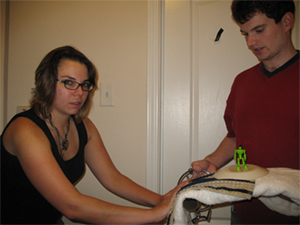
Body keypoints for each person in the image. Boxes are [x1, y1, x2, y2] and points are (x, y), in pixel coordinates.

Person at [1, 46, 186, 224]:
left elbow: (113, 179)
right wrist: (154, 215)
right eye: (69, 83)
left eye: (85, 85)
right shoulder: (25, 130)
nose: (80, 92)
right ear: (46, 82)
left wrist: (161, 200)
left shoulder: (83, 126)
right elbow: (72, 206)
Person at [192, 0, 299, 224]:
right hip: (245, 212)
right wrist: (212, 161)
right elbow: (236, 136)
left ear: (287, 21)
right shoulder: (242, 81)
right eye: (245, 34)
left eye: (259, 30)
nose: (251, 42)